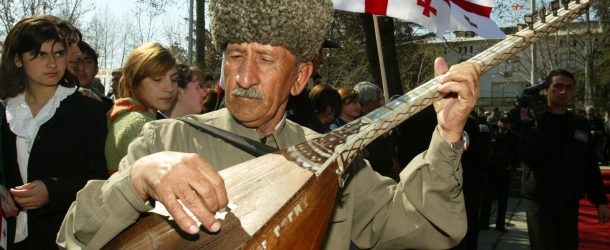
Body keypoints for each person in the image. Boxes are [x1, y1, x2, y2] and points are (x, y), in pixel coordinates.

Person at [57, 0, 481, 249]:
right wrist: (138, 180)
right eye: (236, 55)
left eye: (264, 60)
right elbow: (73, 238)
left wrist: (446, 136)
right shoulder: (167, 139)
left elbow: (426, 228)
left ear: (299, 78)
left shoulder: (335, 156)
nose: (243, 77)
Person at [0, 16, 108, 249]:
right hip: (15, 239)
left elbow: (100, 178)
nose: (52, 63)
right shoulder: (6, 111)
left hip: (66, 238)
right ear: (18, 60)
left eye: (58, 53)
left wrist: (52, 190)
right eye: (40, 54)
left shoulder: (88, 110)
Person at [520, 69, 609, 250]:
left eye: (568, 88)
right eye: (558, 86)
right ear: (546, 89)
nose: (563, 91)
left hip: (568, 201)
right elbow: (526, 156)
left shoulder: (580, 124)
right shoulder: (532, 122)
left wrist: (600, 201)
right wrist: (532, 126)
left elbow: (589, 163)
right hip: (540, 202)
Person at [104, 42, 177, 173]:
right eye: (157, 79)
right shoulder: (139, 124)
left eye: (174, 79)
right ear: (134, 81)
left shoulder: (128, 116)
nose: (170, 88)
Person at [480, 111, 519, 233]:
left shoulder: (514, 137)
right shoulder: (492, 133)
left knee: (503, 200)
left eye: (506, 122)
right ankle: (483, 224)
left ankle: (500, 225)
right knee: (487, 199)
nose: (503, 124)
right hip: (491, 170)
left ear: (510, 124)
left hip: (504, 171)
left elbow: (518, 154)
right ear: (498, 122)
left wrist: (512, 166)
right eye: (502, 121)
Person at [354, 81, 402, 180]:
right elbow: (375, 151)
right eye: (379, 99)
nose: (381, 103)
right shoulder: (363, 125)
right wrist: (390, 166)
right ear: (369, 102)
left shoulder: (374, 118)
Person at [75, 40, 113, 110]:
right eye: (76, 61)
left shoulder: (111, 107)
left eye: (87, 62)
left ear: (96, 70)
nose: (81, 68)